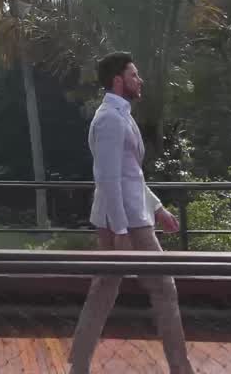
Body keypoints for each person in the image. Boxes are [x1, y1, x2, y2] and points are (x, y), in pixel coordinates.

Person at [69, 51, 194, 374]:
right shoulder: (110, 119)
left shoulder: (119, 115)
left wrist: (158, 208)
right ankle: (181, 368)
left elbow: (129, 175)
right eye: (134, 75)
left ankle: (78, 365)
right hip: (125, 221)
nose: (140, 80)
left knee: (104, 291)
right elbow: (108, 179)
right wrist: (122, 231)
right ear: (118, 81)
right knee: (164, 288)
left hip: (131, 216)